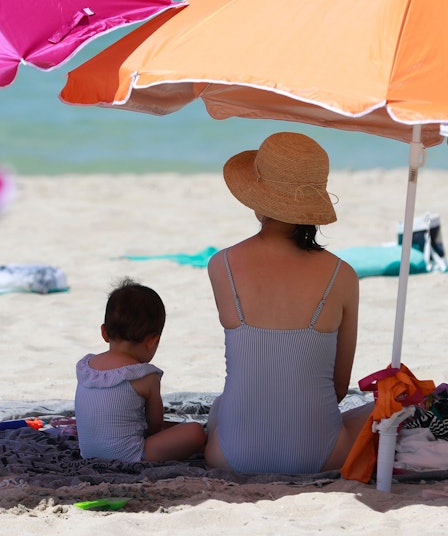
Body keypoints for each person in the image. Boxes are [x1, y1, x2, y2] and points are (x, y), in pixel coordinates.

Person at [205, 132, 371, 475]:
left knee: (222, 405)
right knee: (387, 409)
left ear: (256, 198)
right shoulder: (343, 275)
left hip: (232, 456)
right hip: (322, 454)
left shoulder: (221, 265)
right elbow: (339, 387)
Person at [75, 279, 207, 463]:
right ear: (153, 341)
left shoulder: (86, 367)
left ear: (104, 332)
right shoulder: (145, 375)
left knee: (176, 429)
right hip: (131, 456)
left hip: (88, 453)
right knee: (195, 432)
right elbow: (154, 427)